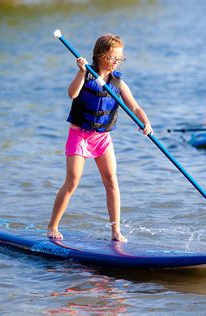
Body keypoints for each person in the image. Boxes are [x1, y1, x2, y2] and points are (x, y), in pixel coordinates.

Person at [47, 34, 153, 243]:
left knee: (111, 181)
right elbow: (72, 94)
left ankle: (115, 231)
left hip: (102, 138)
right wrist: (80, 71)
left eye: (120, 59)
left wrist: (146, 123)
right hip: (79, 135)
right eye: (113, 58)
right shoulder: (86, 74)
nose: (117, 62)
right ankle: (53, 226)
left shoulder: (118, 82)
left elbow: (135, 106)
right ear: (100, 56)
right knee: (73, 181)